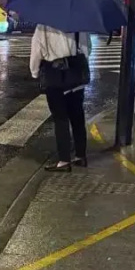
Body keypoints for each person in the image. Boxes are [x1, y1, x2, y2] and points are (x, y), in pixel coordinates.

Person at [30, 24, 91, 172]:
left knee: (60, 118)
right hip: (75, 77)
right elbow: (87, 49)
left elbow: (36, 51)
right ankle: (80, 156)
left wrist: (35, 72)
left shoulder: (43, 25)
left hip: (55, 77)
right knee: (77, 116)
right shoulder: (78, 23)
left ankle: (64, 160)